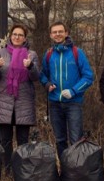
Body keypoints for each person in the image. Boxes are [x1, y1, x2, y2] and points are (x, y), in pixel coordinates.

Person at [0, 24, 40, 174]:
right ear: (10, 36)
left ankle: (22, 168)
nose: (17, 37)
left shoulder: (31, 54)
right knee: (5, 139)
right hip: (4, 101)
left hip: (23, 101)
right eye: (14, 34)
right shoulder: (1, 53)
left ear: (25, 38)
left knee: (23, 139)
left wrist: (30, 66)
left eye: (20, 35)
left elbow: (36, 77)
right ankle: (8, 169)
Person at [40, 21, 95, 160]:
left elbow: (88, 77)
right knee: (59, 140)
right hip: (55, 103)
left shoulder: (77, 52)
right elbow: (43, 75)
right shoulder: (48, 54)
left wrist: (73, 91)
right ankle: (65, 171)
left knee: (76, 139)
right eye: (55, 32)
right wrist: (47, 84)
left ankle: (76, 172)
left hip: (73, 103)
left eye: (60, 31)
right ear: (51, 35)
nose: (58, 34)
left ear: (66, 33)